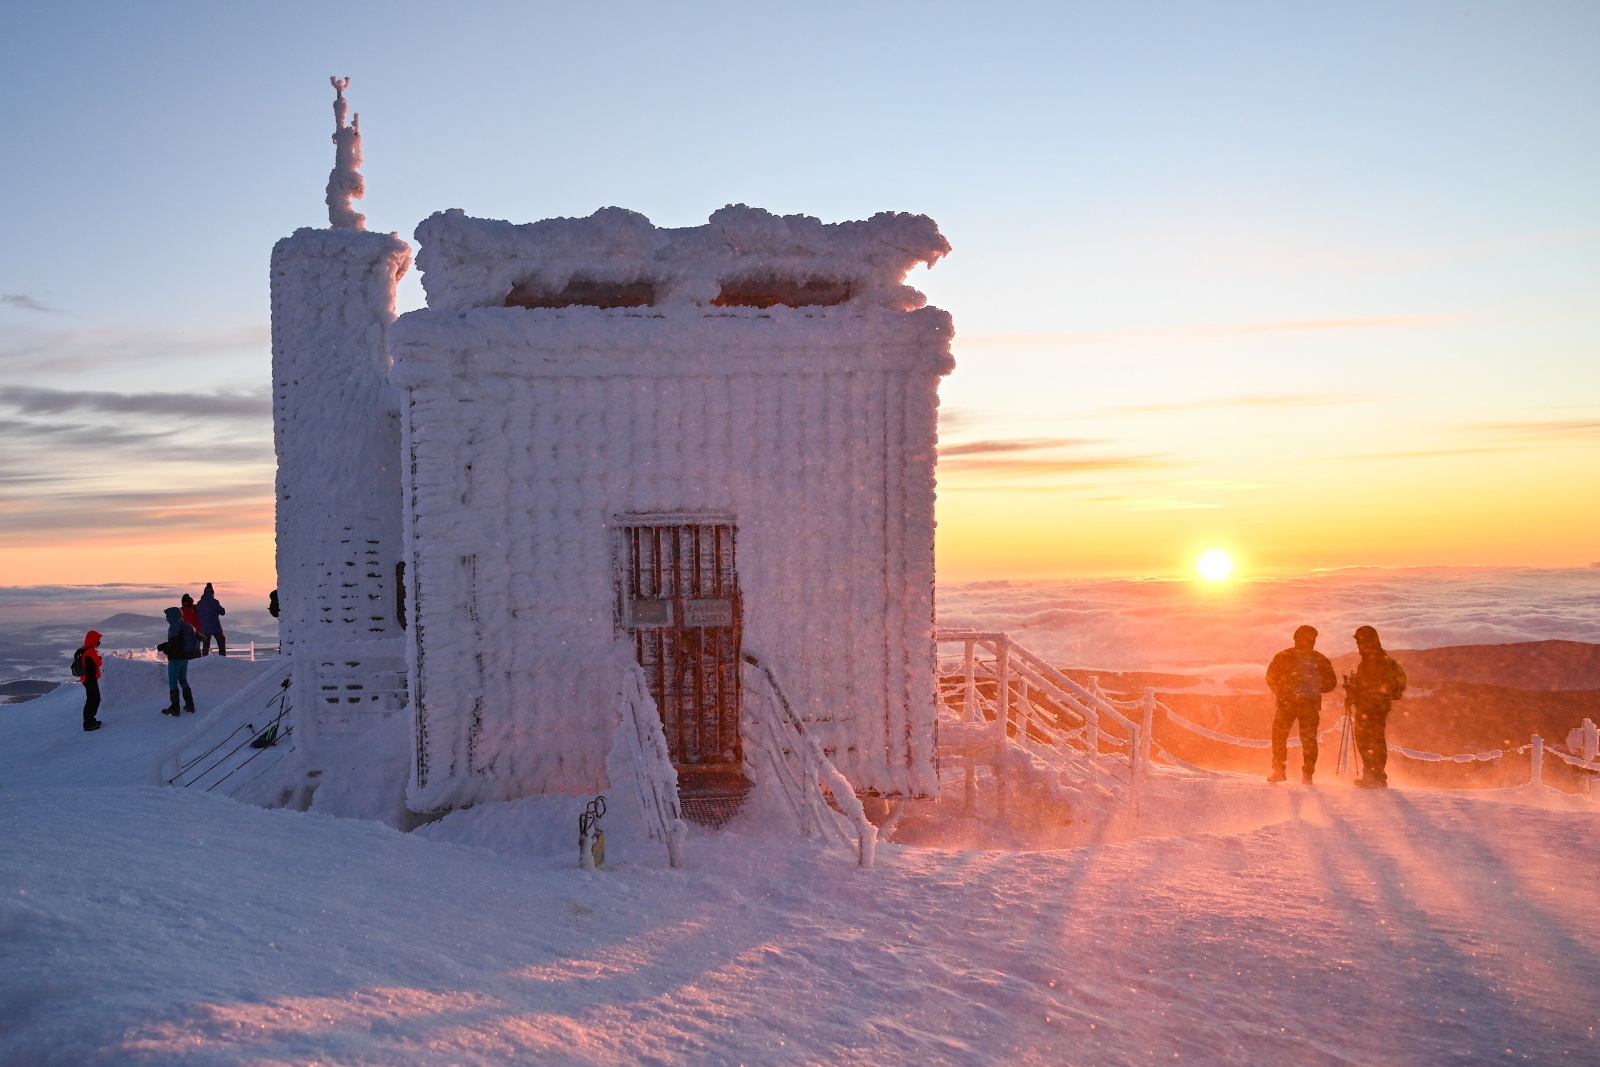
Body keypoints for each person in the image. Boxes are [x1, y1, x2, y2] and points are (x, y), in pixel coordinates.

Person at [1264, 624, 1337, 784]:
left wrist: (1282, 693)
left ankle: (1279, 772)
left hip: (1286, 704)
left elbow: (1270, 677)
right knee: (1309, 740)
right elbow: (1331, 684)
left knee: (1279, 737)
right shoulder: (1320, 659)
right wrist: (1315, 686)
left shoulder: (1283, 655)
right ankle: (1307, 775)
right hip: (1309, 705)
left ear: (1296, 637)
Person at [1347, 625, 1407, 788]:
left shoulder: (1373, 659)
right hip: (1377, 705)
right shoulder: (1378, 657)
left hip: (1371, 706)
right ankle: (1375, 775)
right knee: (1375, 739)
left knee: (1368, 740)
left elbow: (1374, 685)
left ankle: (1374, 776)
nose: (1358, 644)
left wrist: (1358, 692)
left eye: (1359, 640)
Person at [160, 606, 200, 716]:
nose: (167, 618)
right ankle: (190, 705)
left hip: (175, 658)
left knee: (173, 682)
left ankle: (175, 708)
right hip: (185, 657)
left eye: (168, 616)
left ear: (173, 616)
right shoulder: (187, 625)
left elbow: (173, 643)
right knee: (183, 680)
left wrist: (164, 648)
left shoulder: (174, 626)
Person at [77, 630, 103, 731]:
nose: (99, 641)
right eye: (98, 639)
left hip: (86, 678)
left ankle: (90, 720)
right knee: (94, 699)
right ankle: (88, 723)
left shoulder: (84, 648)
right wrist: (99, 657)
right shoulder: (91, 650)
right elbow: (99, 663)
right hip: (90, 678)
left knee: (91, 699)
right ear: (93, 639)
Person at [196, 582, 227, 656]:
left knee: (206, 645)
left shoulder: (200, 603)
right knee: (221, 643)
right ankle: (222, 658)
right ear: (212, 592)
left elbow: (198, 614)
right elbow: (222, 612)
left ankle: (205, 659)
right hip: (215, 627)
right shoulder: (214, 602)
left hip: (204, 627)